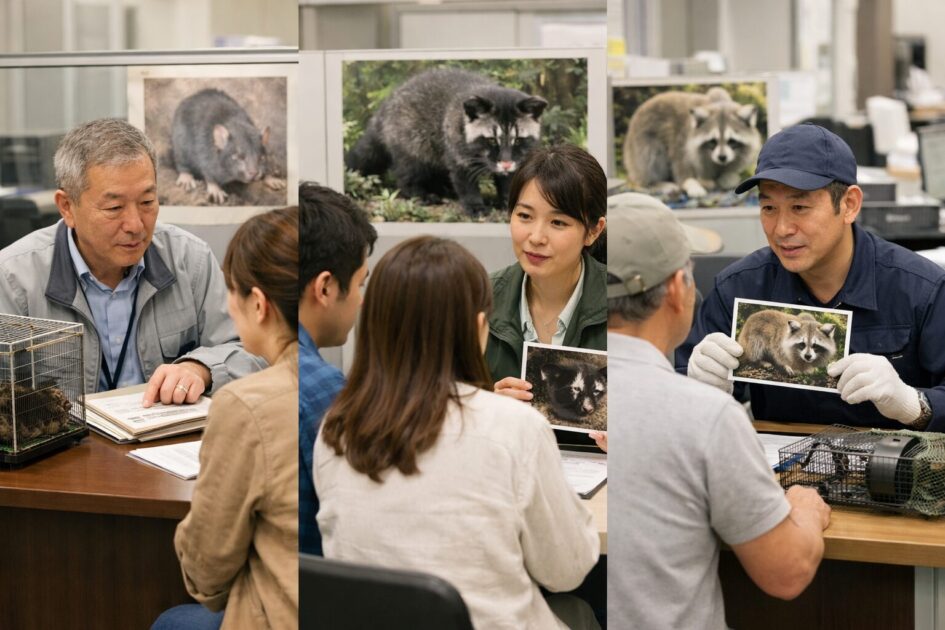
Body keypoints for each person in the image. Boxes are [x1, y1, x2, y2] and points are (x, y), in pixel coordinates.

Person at [315, 236, 601, 630]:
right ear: (480, 327)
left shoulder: (336, 429)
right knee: (581, 611)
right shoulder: (516, 428)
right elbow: (566, 570)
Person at [607, 193, 831, 629]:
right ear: (678, 289)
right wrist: (805, 505)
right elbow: (787, 573)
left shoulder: (566, 397)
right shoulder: (707, 418)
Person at [677, 123, 945, 432]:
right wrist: (700, 390)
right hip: (777, 459)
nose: (781, 229)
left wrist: (914, 404)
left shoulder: (921, 290)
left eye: (800, 207)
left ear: (849, 205)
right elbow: (678, 399)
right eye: (768, 207)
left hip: (894, 459)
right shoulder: (738, 287)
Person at [0, 118, 262, 404]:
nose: (136, 225)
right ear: (67, 207)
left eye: (147, 202)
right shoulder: (14, 278)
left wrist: (199, 368)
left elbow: (251, 351)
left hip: (165, 432)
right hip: (66, 434)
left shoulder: (190, 259)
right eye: (114, 207)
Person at [153, 206, 300, 630]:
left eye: (230, 293)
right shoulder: (339, 385)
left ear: (258, 304)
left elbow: (206, 573)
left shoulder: (246, 406)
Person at [298, 183, 377, 557]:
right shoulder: (325, 391)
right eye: (360, 283)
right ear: (326, 288)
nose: (360, 300)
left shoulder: (247, 362)